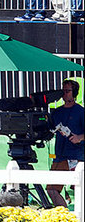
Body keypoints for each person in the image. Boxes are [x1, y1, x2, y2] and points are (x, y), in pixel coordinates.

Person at [46, 79, 84, 207]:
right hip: (60, 156)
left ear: (75, 93)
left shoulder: (81, 111)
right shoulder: (57, 112)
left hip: (77, 156)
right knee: (51, 189)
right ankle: (64, 215)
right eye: (63, 91)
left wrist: (79, 137)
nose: (64, 94)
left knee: (79, 189)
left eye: (67, 91)